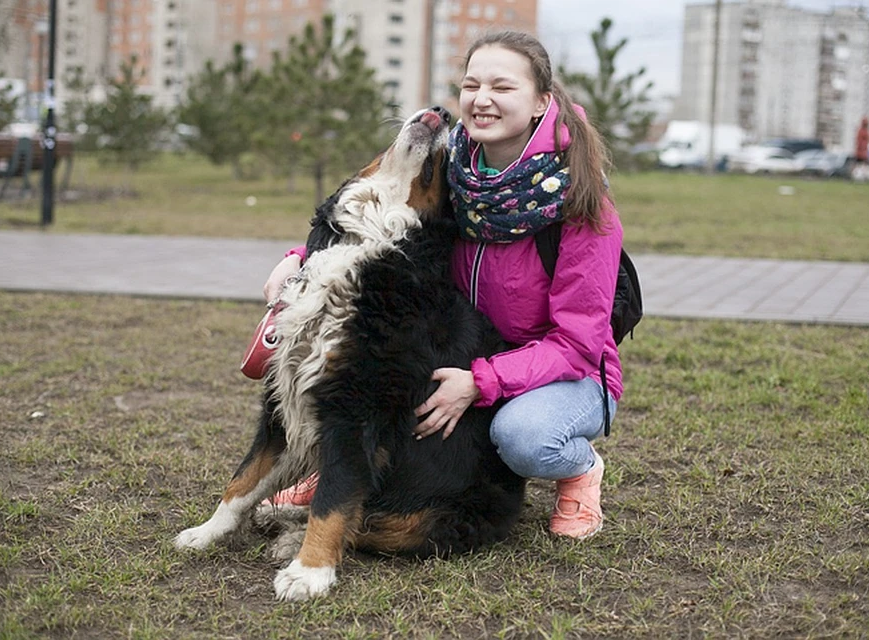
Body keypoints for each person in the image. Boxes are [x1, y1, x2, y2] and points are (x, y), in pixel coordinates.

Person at [261, 30, 624, 540]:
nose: (482, 99)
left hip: (562, 374)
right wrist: (298, 259)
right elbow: (377, 217)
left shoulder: (583, 206)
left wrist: (481, 381)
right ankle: (348, 474)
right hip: (464, 351)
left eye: (503, 86)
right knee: (377, 377)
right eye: (471, 84)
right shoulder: (454, 170)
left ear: (542, 101)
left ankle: (579, 469)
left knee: (524, 437)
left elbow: (578, 345)